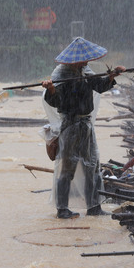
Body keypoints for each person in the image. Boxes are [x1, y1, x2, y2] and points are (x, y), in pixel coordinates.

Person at [41, 37, 125, 219]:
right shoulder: (61, 75)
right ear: (74, 59)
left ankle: (94, 206)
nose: (86, 62)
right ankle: (62, 209)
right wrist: (51, 90)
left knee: (92, 165)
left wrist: (111, 76)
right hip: (70, 125)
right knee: (67, 166)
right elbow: (56, 102)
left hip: (86, 125)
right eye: (83, 60)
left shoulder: (85, 71)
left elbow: (99, 86)